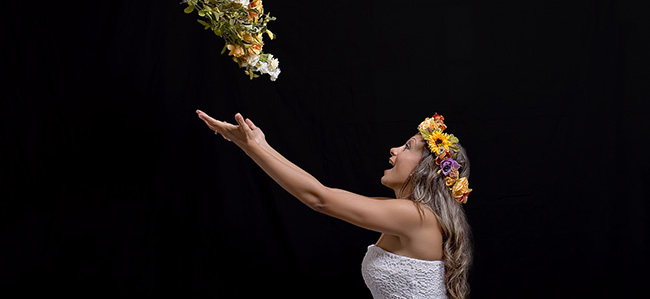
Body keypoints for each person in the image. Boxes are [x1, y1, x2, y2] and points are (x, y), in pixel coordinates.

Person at [196, 110, 473, 299]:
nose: (394, 149)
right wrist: (255, 144)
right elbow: (321, 191)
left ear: (425, 170)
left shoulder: (415, 216)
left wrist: (252, 147)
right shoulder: (407, 214)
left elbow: (319, 199)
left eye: (408, 147)